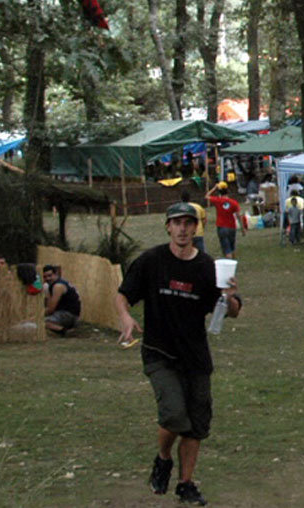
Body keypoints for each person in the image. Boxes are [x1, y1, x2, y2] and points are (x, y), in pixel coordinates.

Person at [113, 202, 242, 506]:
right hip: (159, 352)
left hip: (195, 356)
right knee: (173, 415)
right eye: (177, 223)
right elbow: (123, 294)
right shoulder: (151, 261)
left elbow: (232, 313)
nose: (183, 229)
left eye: (189, 223)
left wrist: (229, 296)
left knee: (196, 425)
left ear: (196, 227)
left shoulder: (207, 267)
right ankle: (163, 459)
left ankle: (185, 484)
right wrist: (126, 317)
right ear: (168, 227)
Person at [206, 181, 246, 259]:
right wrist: (243, 228)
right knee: (232, 247)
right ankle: (233, 262)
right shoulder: (234, 203)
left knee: (226, 249)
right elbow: (239, 216)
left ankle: (229, 263)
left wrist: (214, 188)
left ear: (219, 191)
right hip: (231, 227)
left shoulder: (217, 201)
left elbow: (207, 196)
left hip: (221, 227)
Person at [42, 265, 81, 335]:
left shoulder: (58, 286)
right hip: (69, 315)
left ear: (56, 274)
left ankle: (64, 331)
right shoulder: (56, 284)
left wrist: (38, 316)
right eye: (45, 277)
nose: (48, 278)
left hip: (68, 315)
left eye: (50, 275)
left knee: (41, 322)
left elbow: (51, 309)